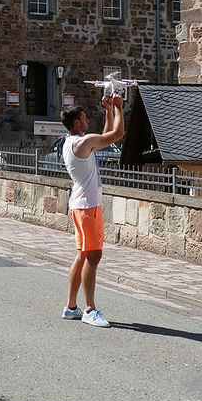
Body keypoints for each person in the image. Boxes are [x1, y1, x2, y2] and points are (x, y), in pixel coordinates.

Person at [59, 93, 125, 328]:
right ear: (77, 122)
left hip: (80, 204)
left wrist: (109, 112)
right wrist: (118, 107)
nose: (88, 121)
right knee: (93, 256)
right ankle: (89, 309)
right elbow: (116, 135)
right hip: (87, 207)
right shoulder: (81, 143)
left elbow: (104, 137)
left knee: (82, 255)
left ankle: (71, 307)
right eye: (85, 118)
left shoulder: (74, 142)